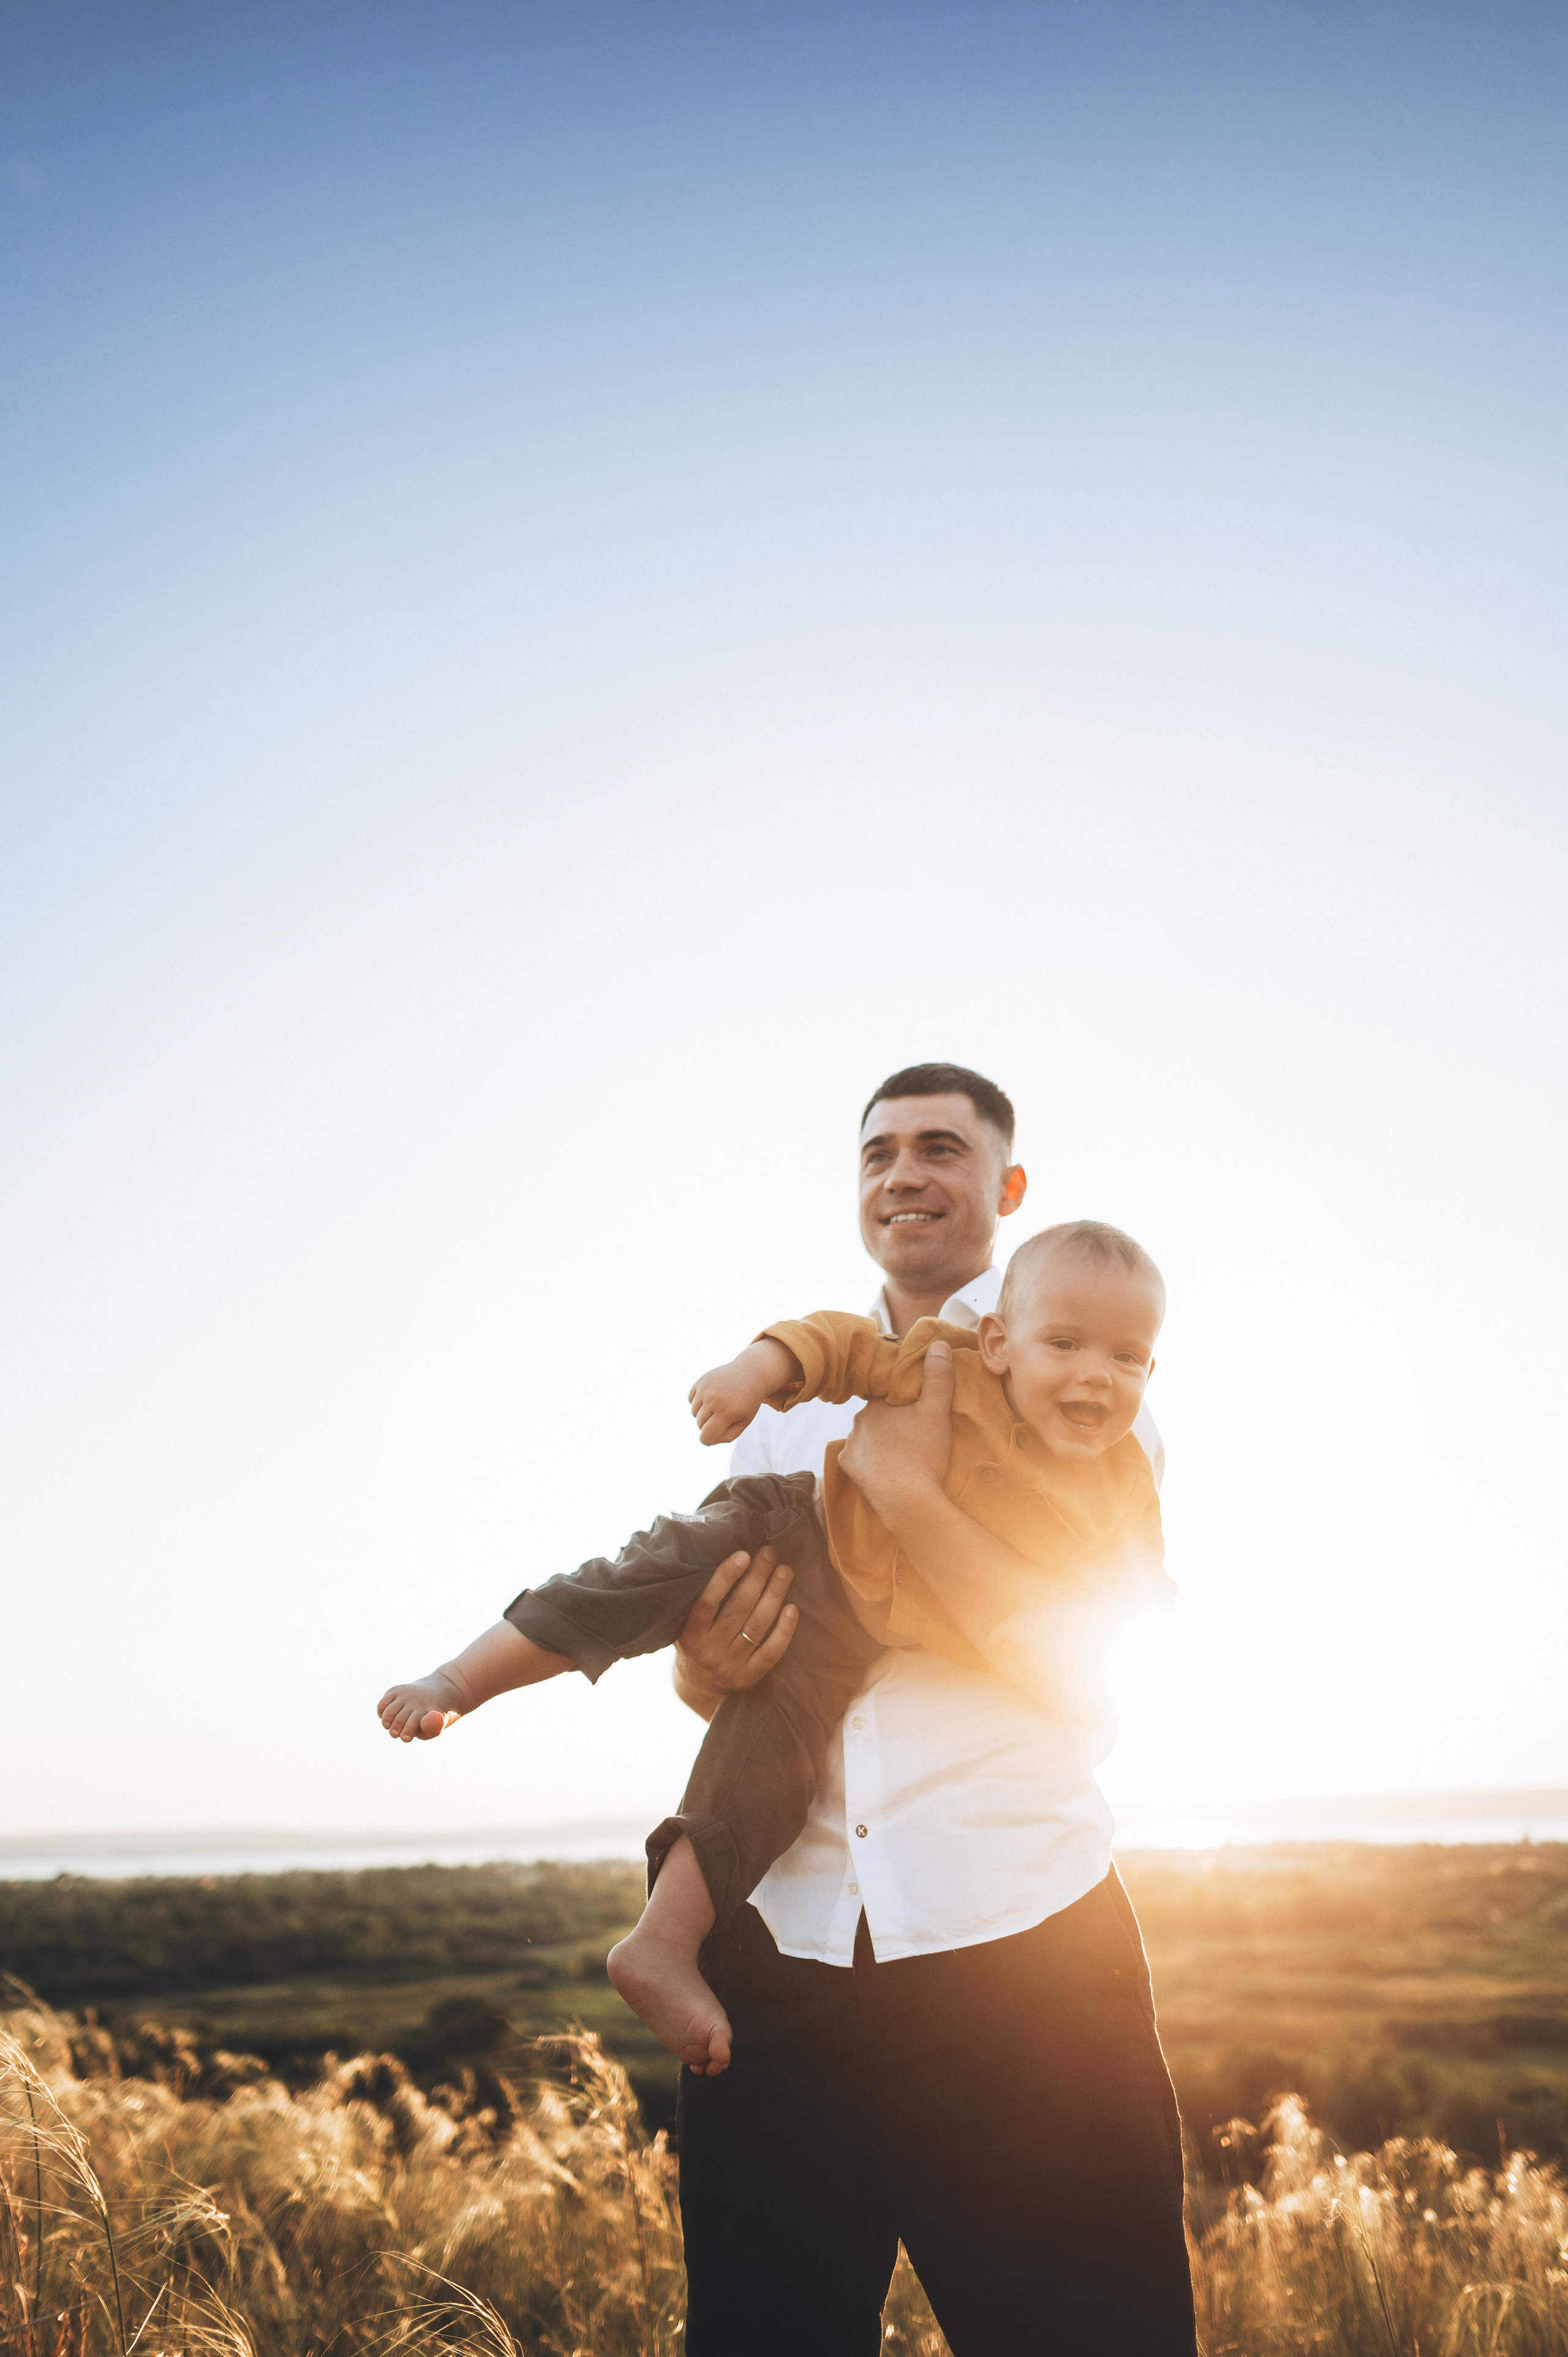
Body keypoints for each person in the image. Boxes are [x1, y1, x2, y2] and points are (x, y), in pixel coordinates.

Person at [666, 1063, 1197, 2356]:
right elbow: (706, 1683)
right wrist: (705, 1661)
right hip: (776, 1965)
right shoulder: (773, 1416)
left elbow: (1085, 1669)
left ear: (1004, 1188)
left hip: (1023, 1952)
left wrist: (906, 1495)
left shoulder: (1088, 1408)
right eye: (878, 1153)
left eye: (941, 1149)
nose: (903, 1173)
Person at [377, 1218, 1170, 2081]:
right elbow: (839, 1346)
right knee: (648, 1573)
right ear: (999, 1340)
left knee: (765, 1764)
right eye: (1065, 1343)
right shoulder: (949, 1364)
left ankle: (660, 1943)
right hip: (798, 1530)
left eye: (1127, 1358)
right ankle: (462, 1674)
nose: (1097, 1373)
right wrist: (751, 1376)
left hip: (858, 1634)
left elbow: (1130, 1612)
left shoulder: (1125, 1481)